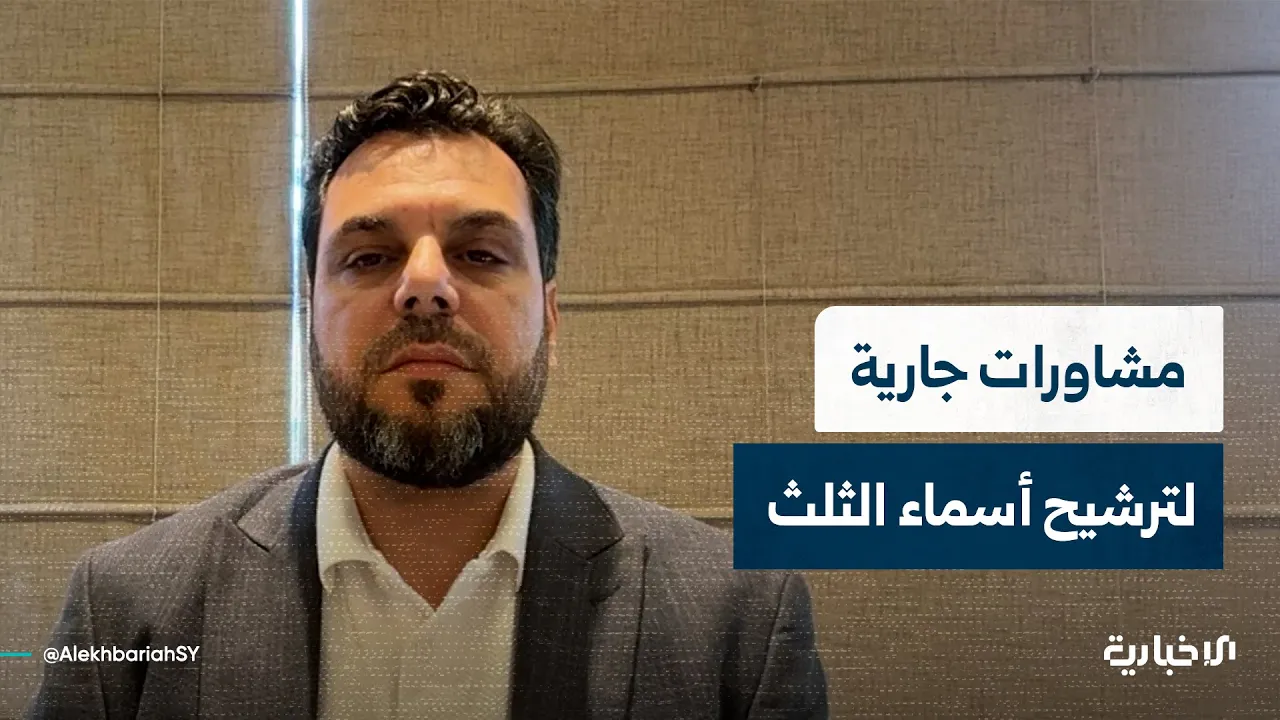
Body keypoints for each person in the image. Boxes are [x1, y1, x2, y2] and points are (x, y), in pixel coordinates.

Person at [28, 70, 828, 719]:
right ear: (310, 313)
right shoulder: (125, 608)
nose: (424, 287)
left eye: (479, 253)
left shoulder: (741, 624)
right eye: (369, 258)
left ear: (550, 315)